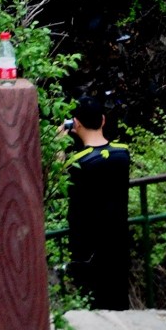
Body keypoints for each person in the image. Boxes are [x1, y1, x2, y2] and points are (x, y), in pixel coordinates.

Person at [61, 96, 132, 309]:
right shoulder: (123, 153)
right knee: (118, 301)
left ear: (77, 124)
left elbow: (56, 180)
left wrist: (59, 145)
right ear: (103, 120)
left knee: (93, 305)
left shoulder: (77, 163)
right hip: (118, 241)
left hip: (87, 247)